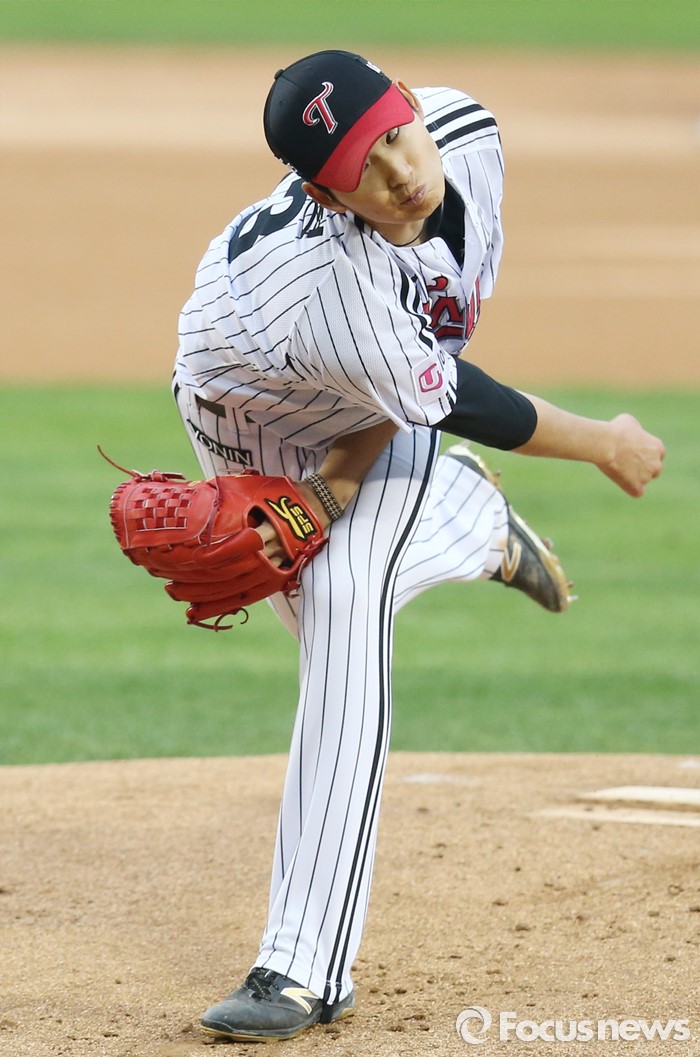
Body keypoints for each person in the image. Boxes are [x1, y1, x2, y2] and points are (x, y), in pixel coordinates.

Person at [171, 50, 665, 1042]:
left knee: (346, 611)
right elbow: (459, 396)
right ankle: (468, 516)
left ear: (408, 104)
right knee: (333, 623)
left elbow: (425, 369)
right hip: (256, 427)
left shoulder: (468, 135)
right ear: (324, 194)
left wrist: (349, 483)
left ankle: (302, 967)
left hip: (370, 393)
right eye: (363, 165)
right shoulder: (332, 285)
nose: (400, 171)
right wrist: (604, 441)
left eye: (396, 134)